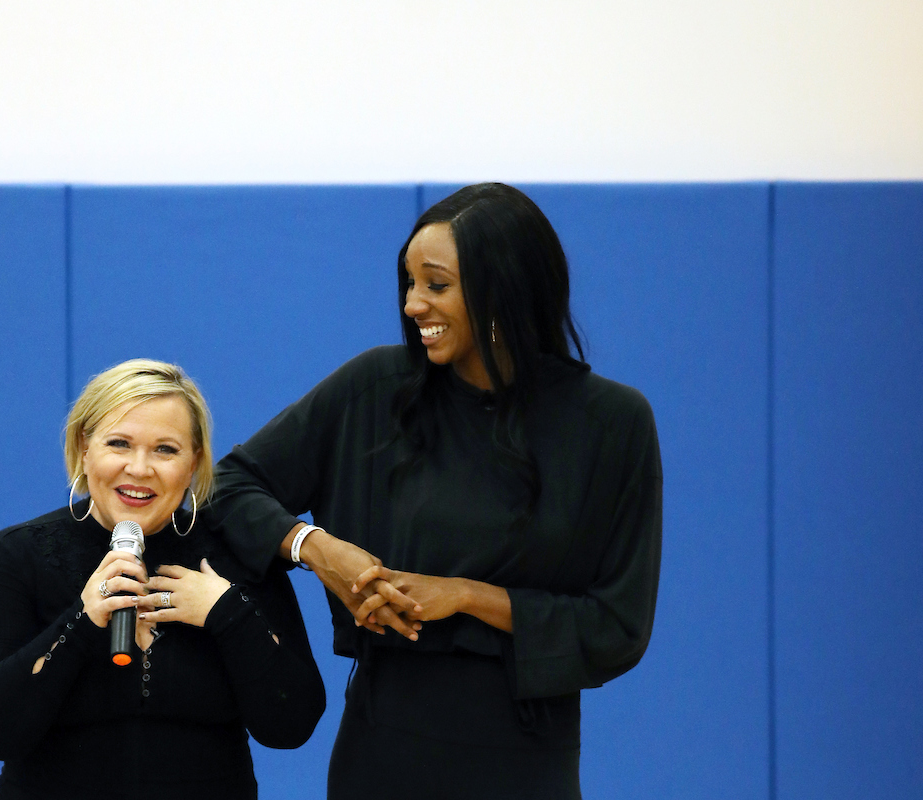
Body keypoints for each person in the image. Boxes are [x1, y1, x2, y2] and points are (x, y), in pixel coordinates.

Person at [204, 183, 662, 799]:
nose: (413, 304)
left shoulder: (612, 423)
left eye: (436, 285)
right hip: (381, 752)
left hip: (525, 762)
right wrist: (316, 548)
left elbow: (617, 625)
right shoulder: (374, 389)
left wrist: (465, 596)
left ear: (504, 289)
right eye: (409, 283)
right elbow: (226, 486)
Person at [0, 359, 325, 800]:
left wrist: (228, 614)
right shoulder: (16, 556)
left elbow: (291, 725)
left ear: (194, 463)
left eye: (165, 449)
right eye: (119, 444)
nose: (140, 469)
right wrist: (82, 621)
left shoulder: (238, 555)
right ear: (84, 448)